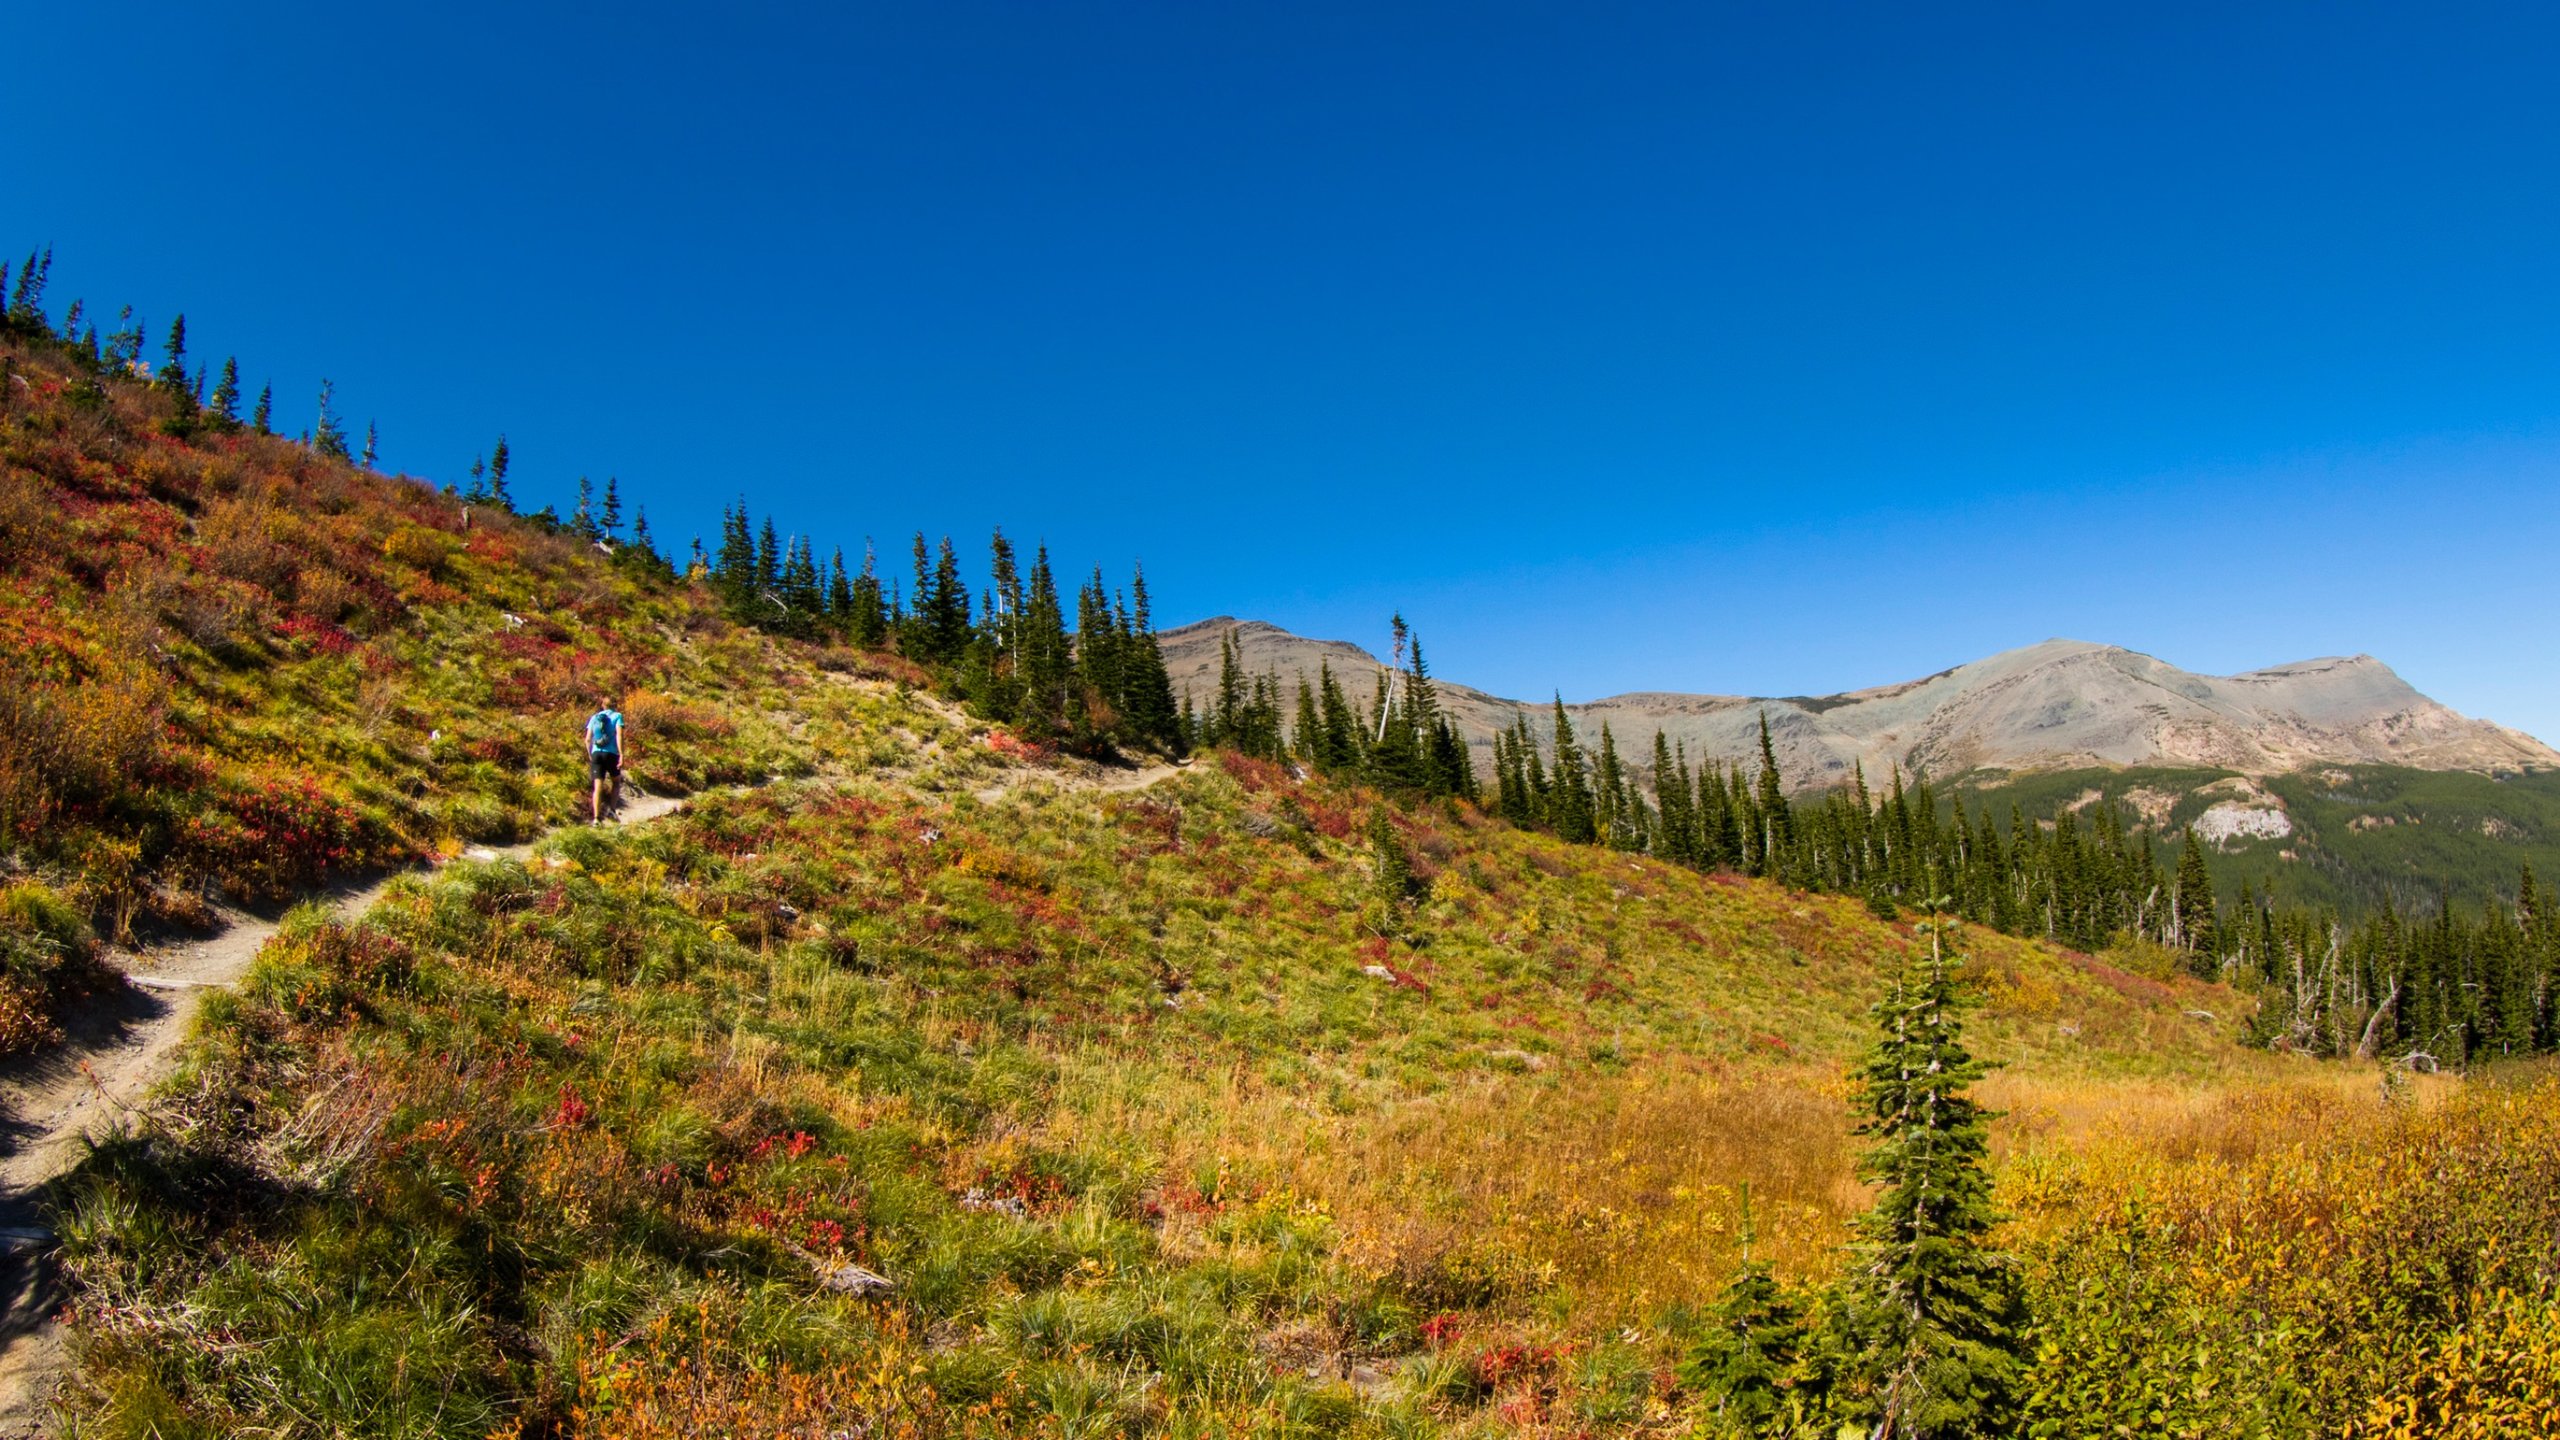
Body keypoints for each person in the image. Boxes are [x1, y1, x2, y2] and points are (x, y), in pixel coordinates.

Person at [585, 695, 628, 822]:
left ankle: (596, 819)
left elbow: (587, 739)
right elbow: (619, 735)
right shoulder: (617, 716)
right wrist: (621, 754)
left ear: (602, 705)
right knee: (616, 781)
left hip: (596, 753)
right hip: (611, 754)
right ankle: (612, 810)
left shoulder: (594, 718)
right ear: (615, 705)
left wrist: (590, 754)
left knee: (597, 786)